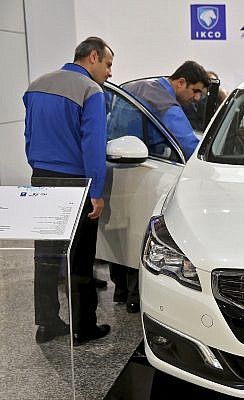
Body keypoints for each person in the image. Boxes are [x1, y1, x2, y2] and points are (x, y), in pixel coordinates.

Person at [23, 36, 114, 344]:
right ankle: (84, 327)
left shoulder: (36, 85)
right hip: (76, 183)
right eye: (108, 64)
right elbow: (93, 146)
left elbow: (29, 134)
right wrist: (97, 191)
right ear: (92, 57)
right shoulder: (91, 90)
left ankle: (47, 324)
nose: (109, 72)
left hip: (41, 176)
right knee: (81, 257)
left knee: (45, 256)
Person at [123, 61, 210, 158]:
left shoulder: (129, 87)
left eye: (201, 95)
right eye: (195, 91)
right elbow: (192, 151)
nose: (197, 98)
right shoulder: (169, 108)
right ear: (181, 82)